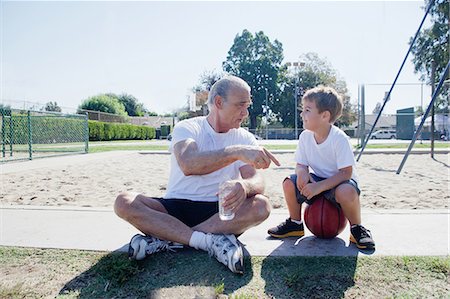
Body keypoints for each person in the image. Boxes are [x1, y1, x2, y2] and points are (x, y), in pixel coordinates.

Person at [115, 75, 280, 274]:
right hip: (175, 206)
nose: (245, 112)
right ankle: (208, 241)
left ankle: (169, 237)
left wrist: (245, 186)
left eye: (247, 106)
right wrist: (237, 151)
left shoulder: (245, 136)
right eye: (240, 105)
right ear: (219, 102)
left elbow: (256, 179)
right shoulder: (188, 127)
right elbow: (188, 163)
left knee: (262, 205)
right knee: (123, 202)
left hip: (219, 212)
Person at [267, 86, 375, 250]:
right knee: (289, 182)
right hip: (317, 180)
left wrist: (319, 187)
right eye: (303, 109)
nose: (302, 114)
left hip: (340, 183)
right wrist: (302, 173)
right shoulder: (305, 136)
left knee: (346, 191)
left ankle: (357, 228)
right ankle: (295, 223)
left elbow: (346, 173)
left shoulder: (339, 139)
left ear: (325, 115)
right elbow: (301, 163)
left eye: (307, 110)